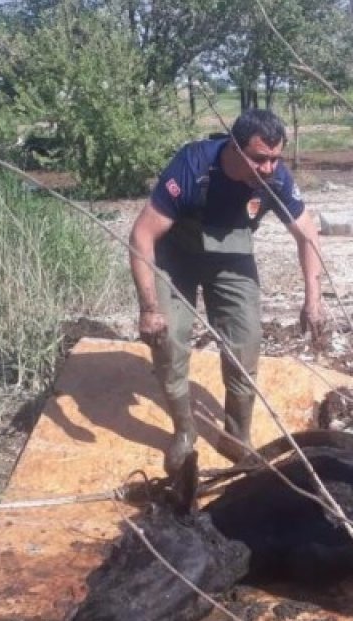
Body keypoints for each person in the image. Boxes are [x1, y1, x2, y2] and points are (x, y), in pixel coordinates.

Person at [129, 109, 325, 486]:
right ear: (234, 147)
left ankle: (236, 436)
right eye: (258, 159)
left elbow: (308, 236)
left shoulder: (276, 178)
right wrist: (149, 308)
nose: (268, 168)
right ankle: (184, 432)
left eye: (275, 158)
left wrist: (313, 299)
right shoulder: (193, 166)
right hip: (176, 255)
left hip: (231, 256)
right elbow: (142, 236)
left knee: (246, 339)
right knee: (169, 340)